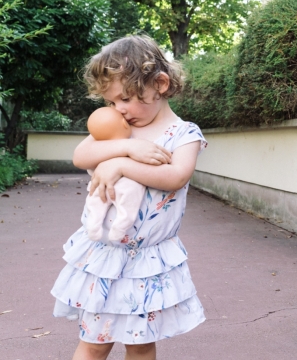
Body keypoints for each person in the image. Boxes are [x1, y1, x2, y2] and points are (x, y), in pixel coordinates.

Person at [51, 35, 208, 359]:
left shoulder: (184, 134)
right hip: (104, 258)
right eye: (110, 102)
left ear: (160, 84)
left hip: (147, 263)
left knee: (140, 345)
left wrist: (120, 164)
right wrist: (126, 147)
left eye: (124, 98)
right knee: (94, 342)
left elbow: (175, 177)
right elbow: (81, 156)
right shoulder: (119, 130)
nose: (118, 109)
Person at [83, 106, 146, 243]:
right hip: (126, 186)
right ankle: (120, 228)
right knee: (128, 207)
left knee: (94, 204)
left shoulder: (99, 148)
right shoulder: (136, 145)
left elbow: (89, 167)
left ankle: (93, 225)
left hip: (101, 188)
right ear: (125, 123)